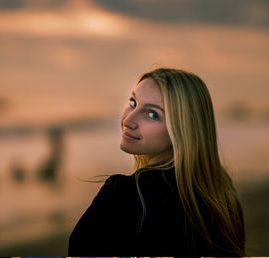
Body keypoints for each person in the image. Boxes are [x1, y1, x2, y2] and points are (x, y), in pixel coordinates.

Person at [68, 68, 245, 256]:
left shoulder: (125, 196)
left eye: (152, 114)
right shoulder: (220, 196)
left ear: (182, 130)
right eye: (133, 103)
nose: (128, 120)